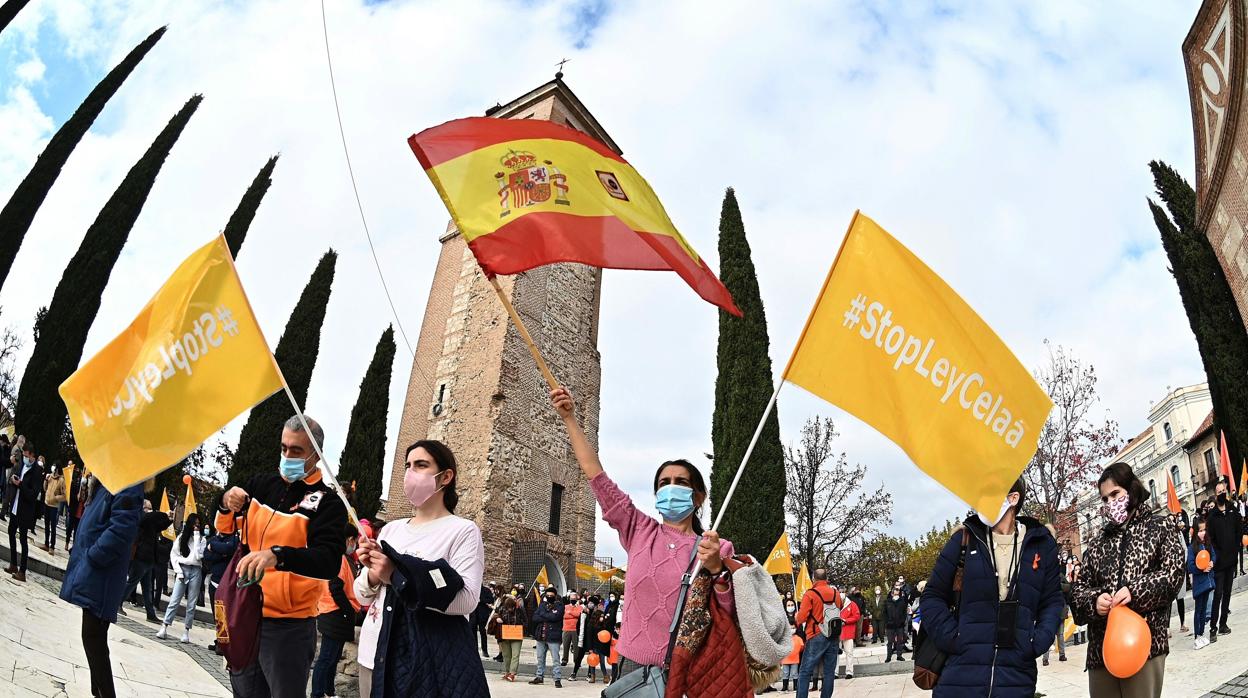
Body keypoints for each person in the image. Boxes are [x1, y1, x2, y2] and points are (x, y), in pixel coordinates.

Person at [550, 387, 737, 680]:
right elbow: (595, 475)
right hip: (631, 670)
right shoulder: (639, 530)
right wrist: (570, 419)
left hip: (691, 673)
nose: (670, 487)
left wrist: (716, 571)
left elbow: (729, 616)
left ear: (698, 496)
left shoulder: (717, 548)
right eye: (664, 482)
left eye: (681, 482)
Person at [217, 416, 347, 698]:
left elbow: (327, 561)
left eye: (296, 450)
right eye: (284, 448)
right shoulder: (260, 484)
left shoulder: (328, 503)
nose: (287, 455)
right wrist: (226, 501)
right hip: (245, 614)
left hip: (288, 627)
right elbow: (224, 528)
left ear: (317, 454)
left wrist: (277, 556)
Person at [354, 440, 487, 698]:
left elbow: (468, 600)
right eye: (408, 466)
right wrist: (372, 572)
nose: (411, 473)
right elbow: (361, 595)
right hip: (372, 654)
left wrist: (396, 576)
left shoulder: (462, 530)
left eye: (421, 465)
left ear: (446, 476)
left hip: (417, 663)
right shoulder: (391, 529)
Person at [921, 477, 1064, 697]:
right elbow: (932, 596)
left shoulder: (1041, 545)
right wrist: (954, 637)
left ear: (1013, 498)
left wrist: (1037, 641)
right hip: (960, 676)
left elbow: (1053, 601)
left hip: (1015, 678)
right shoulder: (965, 539)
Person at [1072, 463, 1184, 697]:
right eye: (1104, 499)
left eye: (1115, 493)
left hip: (1144, 646)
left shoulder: (1161, 526)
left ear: (1131, 490)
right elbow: (1078, 591)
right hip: (1101, 653)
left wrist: (1135, 591)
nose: (1110, 503)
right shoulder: (1096, 545)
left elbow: (1173, 575)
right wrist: (1094, 601)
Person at [60, 475, 145, 698]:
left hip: (102, 573)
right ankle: (98, 693)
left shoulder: (128, 481)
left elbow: (122, 529)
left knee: (93, 638)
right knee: (94, 639)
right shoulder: (110, 479)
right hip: (95, 571)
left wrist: (94, 556)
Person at [311, 524, 361, 698]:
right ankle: (318, 693)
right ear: (349, 539)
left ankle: (327, 692)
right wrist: (348, 611)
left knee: (331, 659)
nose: (355, 544)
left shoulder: (336, 556)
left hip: (332, 612)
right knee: (327, 659)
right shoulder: (339, 558)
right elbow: (336, 587)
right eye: (355, 540)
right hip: (335, 613)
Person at [794, 568, 846, 698]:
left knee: (805, 671)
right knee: (829, 672)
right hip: (833, 635)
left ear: (814, 579)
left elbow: (801, 618)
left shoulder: (810, 594)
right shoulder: (835, 593)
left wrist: (796, 617)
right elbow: (839, 608)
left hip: (816, 634)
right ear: (826, 578)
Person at [157, 513, 205, 643]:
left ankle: (186, 631)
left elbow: (198, 556)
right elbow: (174, 556)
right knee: (174, 600)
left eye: (199, 525)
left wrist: (196, 537)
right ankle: (164, 626)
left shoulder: (201, 539)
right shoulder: (181, 538)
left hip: (196, 570)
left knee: (191, 603)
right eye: (195, 524)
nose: (197, 527)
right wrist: (179, 572)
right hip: (183, 568)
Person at [121, 498, 171, 622]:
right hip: (141, 556)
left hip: (149, 558)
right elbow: (151, 517)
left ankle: (150, 613)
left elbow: (161, 525)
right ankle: (117, 602)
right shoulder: (142, 518)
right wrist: (163, 513)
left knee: (147, 588)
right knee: (131, 582)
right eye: (148, 508)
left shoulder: (151, 523)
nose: (150, 511)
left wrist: (169, 519)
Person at [1206, 478, 1242, 642]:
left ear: (1226, 492)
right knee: (1218, 594)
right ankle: (1213, 628)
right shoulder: (1212, 517)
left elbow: (1238, 532)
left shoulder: (1233, 510)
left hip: (1231, 560)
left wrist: (1235, 551)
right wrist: (1216, 556)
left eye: (1223, 492)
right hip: (1219, 564)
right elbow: (1210, 539)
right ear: (1215, 494)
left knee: (1227, 593)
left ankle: (1223, 624)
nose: (1221, 494)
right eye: (1219, 492)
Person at [6, 440, 43, 582]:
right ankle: (13, 564)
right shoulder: (22, 464)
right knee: (10, 532)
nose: (25, 458)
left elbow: (33, 494)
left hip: (25, 510)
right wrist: (13, 481)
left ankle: (23, 570)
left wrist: (20, 485)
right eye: (24, 455)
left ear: (32, 456)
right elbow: (15, 476)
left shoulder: (37, 471)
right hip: (15, 505)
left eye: (27, 456)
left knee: (23, 539)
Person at [1189, 516, 1217, 650]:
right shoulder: (1191, 548)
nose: (1203, 533)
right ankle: (1196, 636)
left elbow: (1213, 555)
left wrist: (1212, 562)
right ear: (1195, 531)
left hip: (1208, 582)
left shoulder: (1207, 544)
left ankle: (1201, 634)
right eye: (1200, 530)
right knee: (1198, 611)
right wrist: (1202, 569)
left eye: (1204, 530)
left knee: (1205, 608)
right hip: (1199, 584)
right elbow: (1190, 566)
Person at [530, 585, 566, 686]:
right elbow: (535, 618)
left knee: (555, 659)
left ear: (555, 595)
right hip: (541, 635)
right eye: (548, 595)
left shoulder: (559, 606)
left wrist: (543, 615)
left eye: (551, 595)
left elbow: (555, 617)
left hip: (553, 636)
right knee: (540, 657)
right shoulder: (542, 605)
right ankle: (539, 676)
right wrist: (548, 616)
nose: (549, 596)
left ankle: (557, 679)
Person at [491, 594, 527, 682]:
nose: (510, 609)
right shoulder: (502, 608)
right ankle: (507, 672)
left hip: (516, 634)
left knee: (515, 654)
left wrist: (520, 626)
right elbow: (495, 615)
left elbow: (525, 621)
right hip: (505, 634)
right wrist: (498, 619)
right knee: (506, 655)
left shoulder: (519, 609)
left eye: (511, 607)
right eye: (508, 608)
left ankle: (512, 673)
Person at [42, 463, 66, 553]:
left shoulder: (61, 480)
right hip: (46, 503)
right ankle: (46, 544)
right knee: (46, 525)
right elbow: (45, 488)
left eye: (55, 466)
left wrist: (56, 498)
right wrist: (45, 480)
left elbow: (64, 495)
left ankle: (52, 546)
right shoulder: (49, 476)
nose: (53, 467)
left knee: (53, 526)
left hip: (54, 506)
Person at [838, 589, 861, 680]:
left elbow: (856, 616)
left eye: (843, 592)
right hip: (837, 632)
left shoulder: (852, 604)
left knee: (849, 653)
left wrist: (846, 621)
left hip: (848, 631)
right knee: (835, 654)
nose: (841, 594)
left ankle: (849, 672)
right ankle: (835, 673)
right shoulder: (834, 604)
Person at [883, 581, 909, 662]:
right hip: (890, 625)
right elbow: (884, 613)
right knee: (890, 642)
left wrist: (902, 621)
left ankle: (899, 655)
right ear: (892, 592)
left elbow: (904, 613)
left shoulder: (902, 601)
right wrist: (887, 622)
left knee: (900, 641)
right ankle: (888, 657)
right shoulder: (887, 602)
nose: (897, 591)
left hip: (899, 625)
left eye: (898, 590)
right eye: (895, 590)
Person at [471, 583, 496, 658]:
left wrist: (481, 600)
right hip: (473, 614)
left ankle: (484, 650)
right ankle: (474, 650)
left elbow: (491, 600)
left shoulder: (486, 590)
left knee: (483, 633)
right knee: (473, 633)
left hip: (482, 615)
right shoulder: (473, 590)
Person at [559, 590, 583, 667]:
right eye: (571, 598)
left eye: (574, 598)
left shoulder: (579, 607)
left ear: (576, 599)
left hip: (575, 629)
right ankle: (564, 660)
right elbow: (564, 616)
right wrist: (572, 614)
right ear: (569, 598)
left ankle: (576, 661)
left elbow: (578, 614)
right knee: (566, 645)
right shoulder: (565, 607)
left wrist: (570, 613)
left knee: (576, 646)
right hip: (566, 628)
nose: (573, 599)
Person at [65, 463, 85, 549]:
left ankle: (74, 546)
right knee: (69, 527)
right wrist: (76, 496)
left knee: (77, 530)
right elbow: (71, 495)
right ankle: (67, 542)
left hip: (81, 511)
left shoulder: (87, 485)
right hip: (74, 509)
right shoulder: (76, 482)